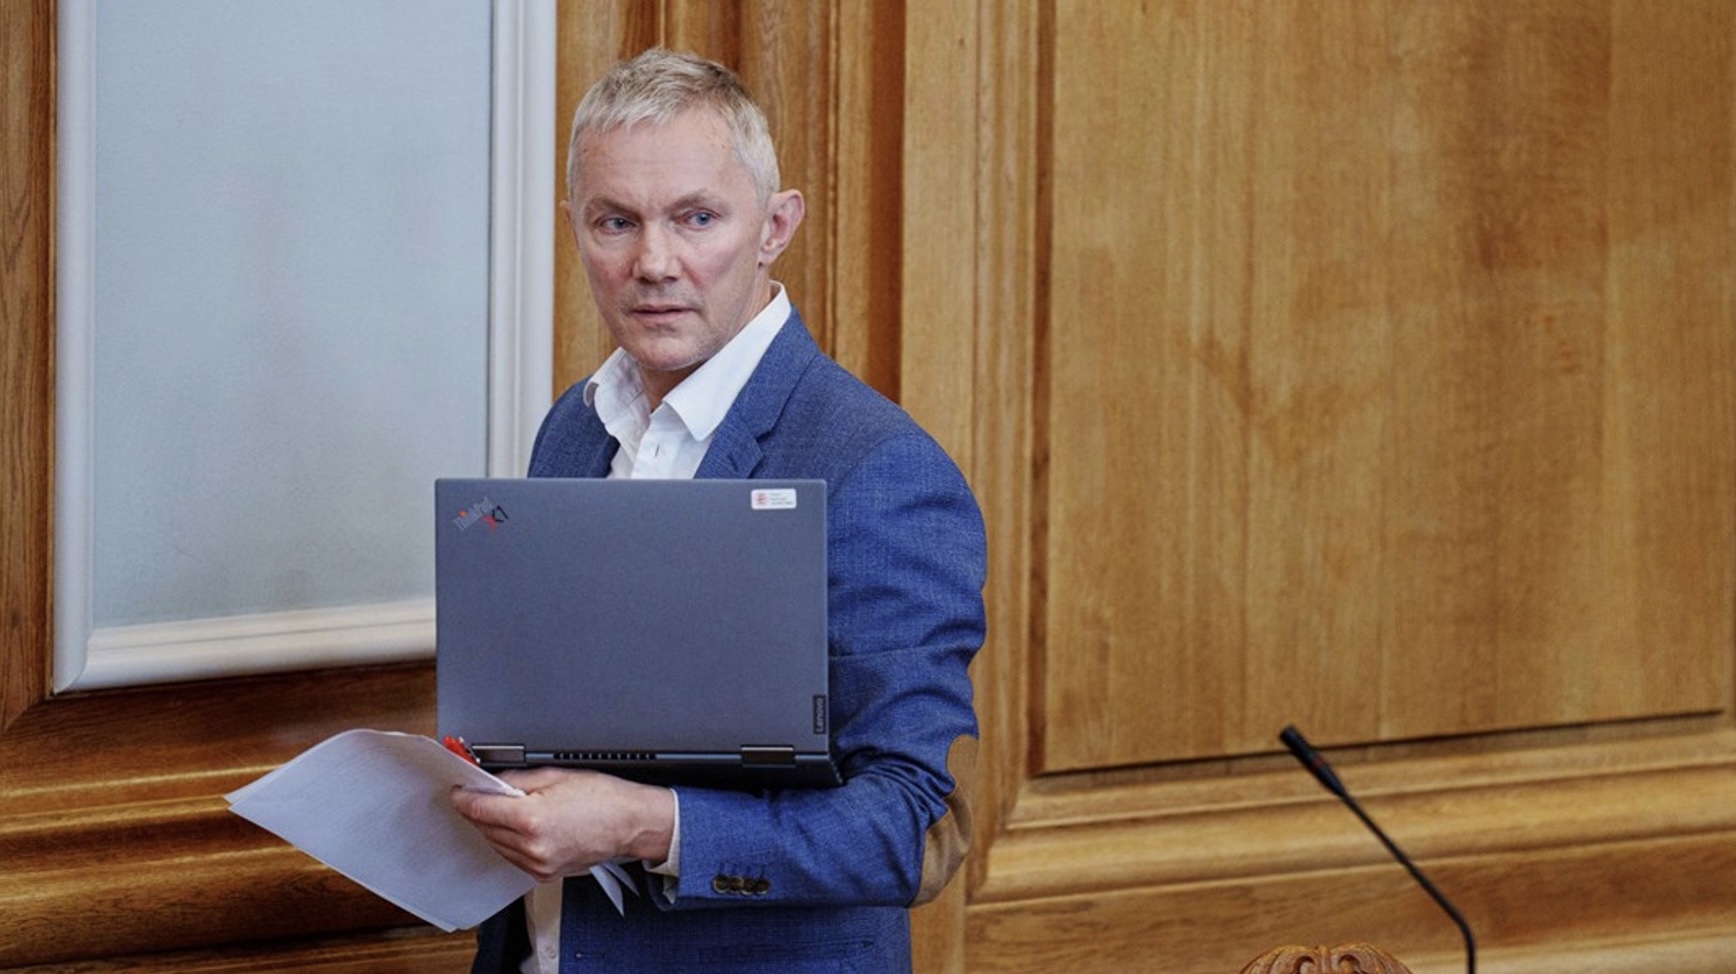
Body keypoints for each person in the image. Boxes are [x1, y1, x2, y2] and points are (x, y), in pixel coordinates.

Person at [450, 48, 987, 973]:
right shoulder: (572, 431)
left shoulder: (881, 468)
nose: (653, 263)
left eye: (697, 218)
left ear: (776, 226)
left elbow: (912, 822)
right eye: (616, 222)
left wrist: (647, 825)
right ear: (573, 228)